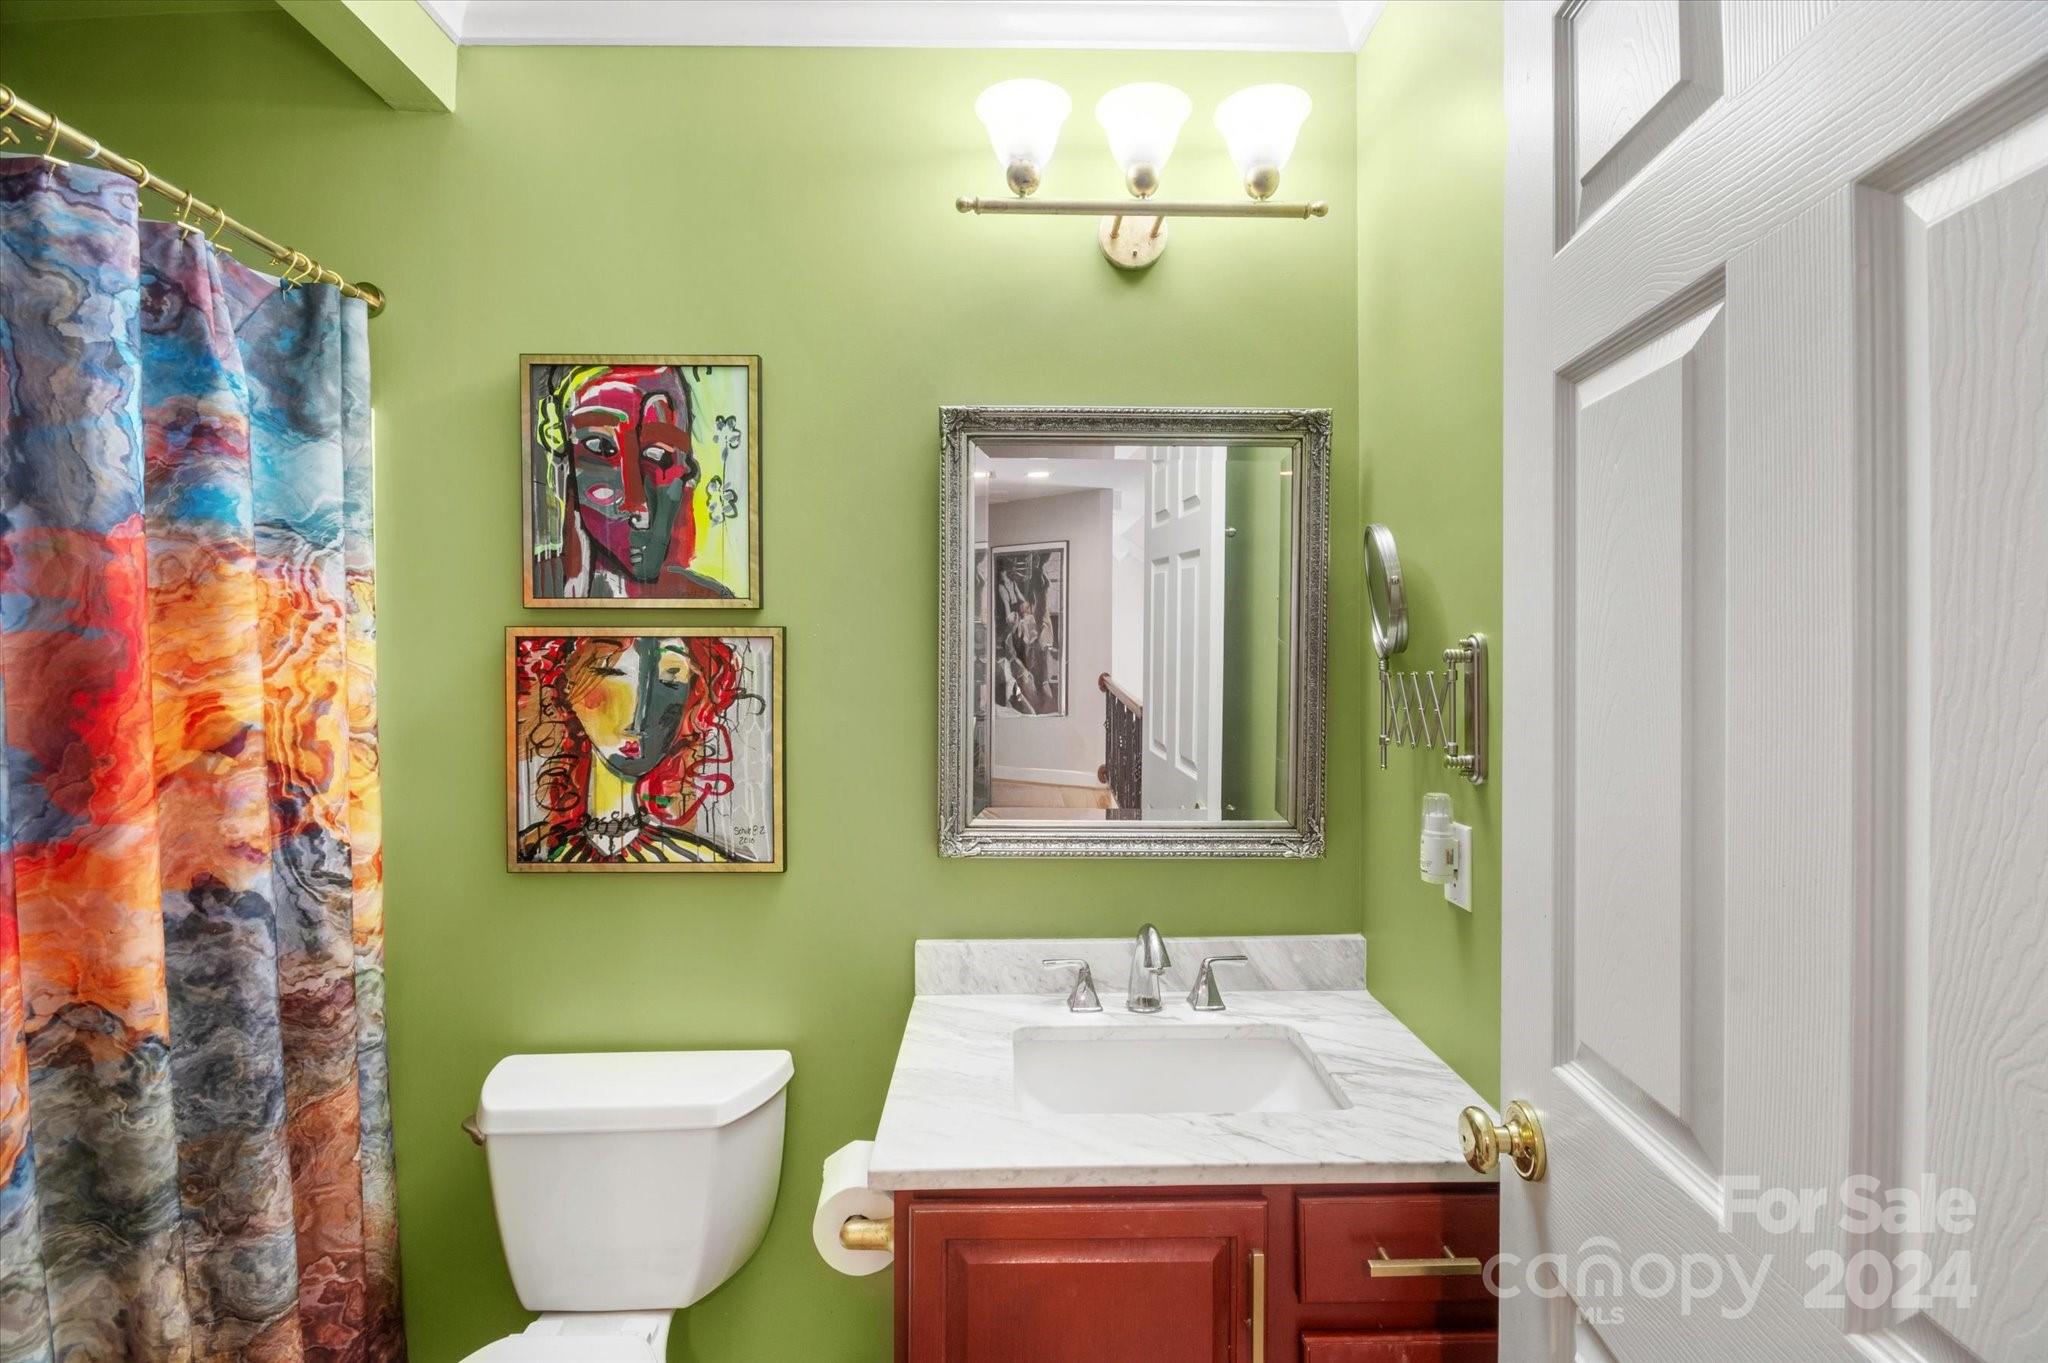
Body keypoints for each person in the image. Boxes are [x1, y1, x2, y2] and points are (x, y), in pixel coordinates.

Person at [516, 634, 747, 863]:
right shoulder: (530, 853)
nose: (641, 713)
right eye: (612, 672)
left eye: (672, 676)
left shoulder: (703, 861)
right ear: (566, 687)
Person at [531, 364, 736, 600]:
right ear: (565, 462)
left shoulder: (711, 606)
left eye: (657, 456)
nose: (639, 507)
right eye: (599, 447)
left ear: (687, 470)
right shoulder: (536, 588)